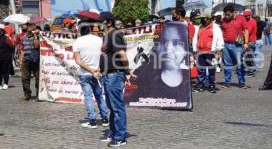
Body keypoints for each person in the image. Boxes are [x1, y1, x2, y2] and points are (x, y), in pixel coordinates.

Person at [130, 22, 191, 104]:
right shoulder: (144, 77)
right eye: (163, 42)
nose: (168, 50)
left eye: (176, 43)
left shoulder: (187, 79)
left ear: (185, 49)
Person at [99, 12, 131, 147]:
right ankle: (112, 133)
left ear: (108, 22)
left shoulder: (115, 35)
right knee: (111, 107)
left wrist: (127, 70)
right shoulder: (107, 36)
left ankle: (120, 137)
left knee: (117, 107)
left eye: (101, 22)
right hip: (107, 75)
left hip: (114, 75)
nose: (98, 25)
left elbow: (122, 55)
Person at [73, 25, 109, 129]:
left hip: (85, 73)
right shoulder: (99, 40)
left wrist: (90, 70)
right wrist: (97, 69)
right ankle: (105, 119)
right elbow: (104, 55)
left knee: (88, 97)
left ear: (80, 32)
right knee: (99, 96)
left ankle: (92, 121)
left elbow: (78, 61)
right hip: (98, 73)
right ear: (90, 30)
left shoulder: (77, 42)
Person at [194, 13, 224, 93]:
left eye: (204, 18)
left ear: (209, 18)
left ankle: (212, 85)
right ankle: (201, 84)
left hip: (211, 52)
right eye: (202, 19)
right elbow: (195, 39)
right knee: (201, 70)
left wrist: (218, 51)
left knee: (211, 69)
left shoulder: (216, 28)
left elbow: (220, 40)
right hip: (200, 52)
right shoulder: (199, 27)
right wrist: (194, 51)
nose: (202, 20)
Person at [221, 5, 249, 88]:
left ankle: (241, 82)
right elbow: (222, 31)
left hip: (237, 45)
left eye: (228, 14)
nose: (226, 16)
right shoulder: (223, 20)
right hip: (226, 45)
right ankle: (227, 82)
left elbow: (246, 30)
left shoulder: (241, 18)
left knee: (239, 64)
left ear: (233, 13)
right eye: (225, 14)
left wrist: (246, 43)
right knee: (227, 64)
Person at [20, 23, 40, 101]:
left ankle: (39, 94)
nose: (29, 27)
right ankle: (27, 94)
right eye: (28, 26)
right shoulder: (23, 37)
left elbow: (36, 46)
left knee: (37, 78)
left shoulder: (38, 36)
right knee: (25, 78)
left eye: (31, 26)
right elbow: (22, 50)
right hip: (26, 59)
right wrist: (21, 61)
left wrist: (35, 35)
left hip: (35, 60)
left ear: (34, 27)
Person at [0, 24, 14, 90]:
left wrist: (9, 55)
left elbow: (12, 46)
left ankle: (5, 83)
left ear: (3, 31)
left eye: (0, 30)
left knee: (6, 71)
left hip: (6, 57)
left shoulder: (6, 37)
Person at [243, 9, 257, 77]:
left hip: (250, 41)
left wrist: (242, 32)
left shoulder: (250, 22)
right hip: (250, 41)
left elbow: (248, 32)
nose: (246, 17)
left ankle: (252, 71)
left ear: (250, 15)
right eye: (245, 16)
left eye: (247, 16)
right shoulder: (251, 21)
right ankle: (250, 70)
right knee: (248, 57)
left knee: (250, 57)